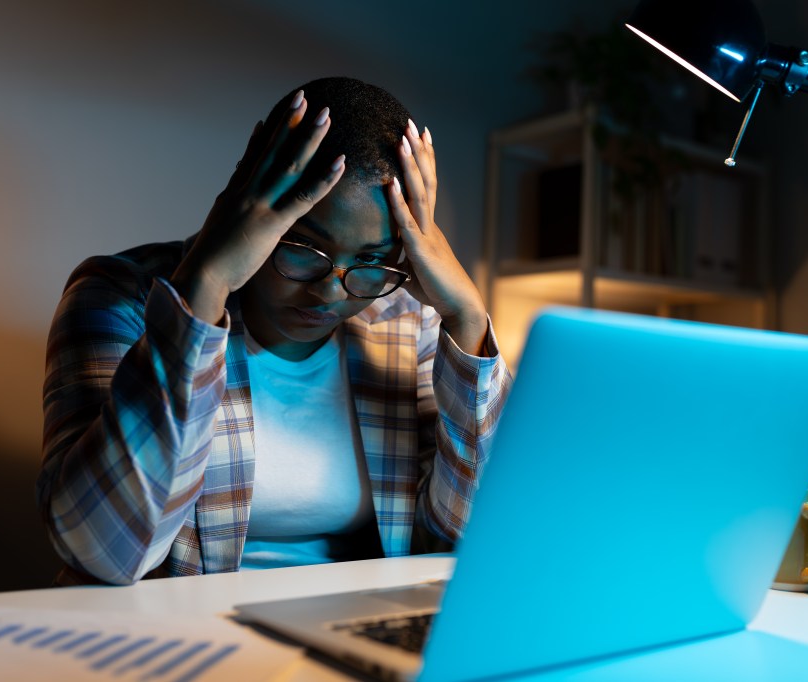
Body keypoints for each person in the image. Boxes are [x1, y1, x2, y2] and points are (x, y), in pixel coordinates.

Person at [36, 77, 512, 585]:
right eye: (305, 249)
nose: (331, 292)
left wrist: (466, 320)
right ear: (250, 201)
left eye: (372, 260)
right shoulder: (117, 295)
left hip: (349, 631)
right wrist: (205, 288)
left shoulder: (405, 321)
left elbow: (466, 542)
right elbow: (101, 553)